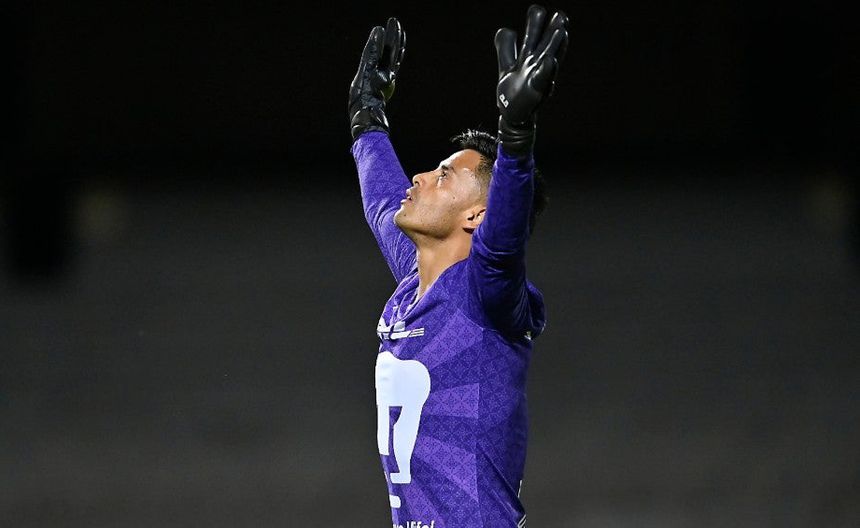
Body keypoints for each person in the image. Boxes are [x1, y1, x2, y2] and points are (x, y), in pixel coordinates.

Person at [348, 5, 569, 527]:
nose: (421, 176)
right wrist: (366, 117)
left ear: (477, 216)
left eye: (444, 175)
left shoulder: (486, 293)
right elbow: (383, 203)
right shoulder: (417, 283)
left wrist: (516, 136)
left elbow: (504, 243)